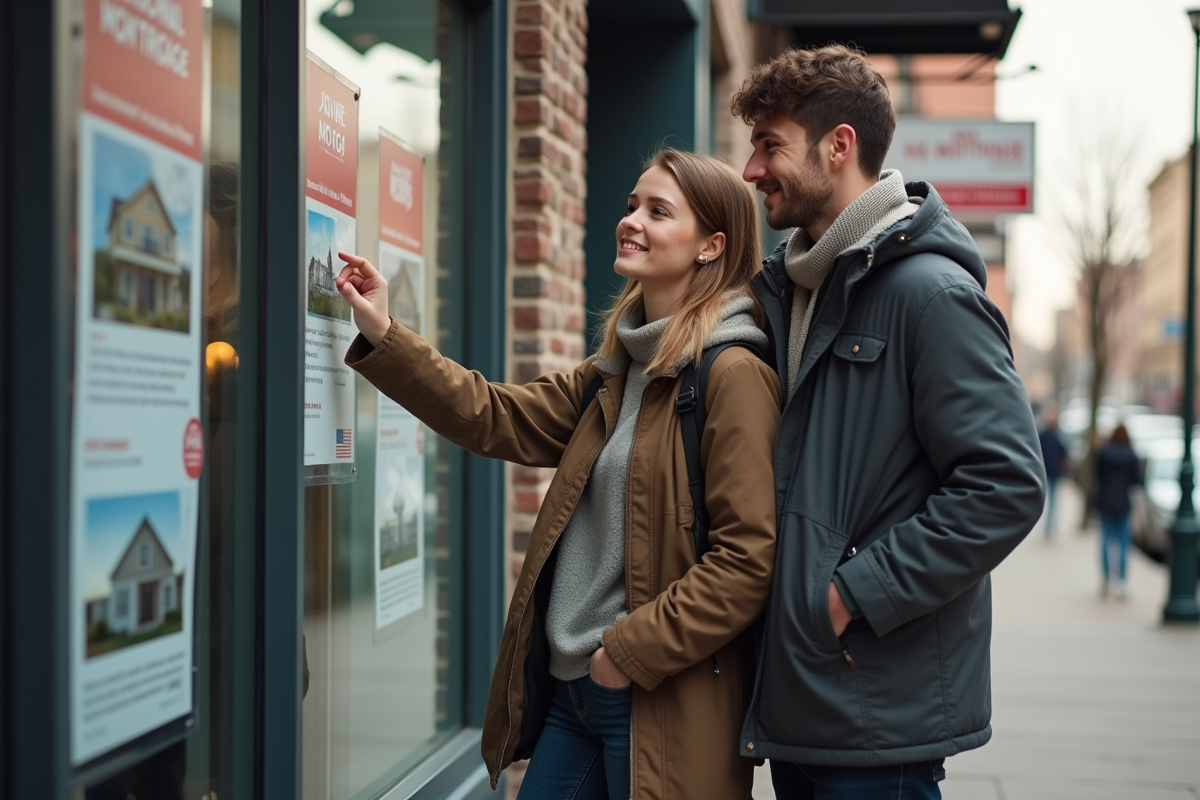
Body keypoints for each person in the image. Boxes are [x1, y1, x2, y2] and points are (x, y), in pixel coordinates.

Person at [336, 149, 781, 800]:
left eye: (658, 211)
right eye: (632, 205)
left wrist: (625, 655)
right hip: (573, 692)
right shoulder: (615, 372)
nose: (631, 220)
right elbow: (494, 415)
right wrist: (384, 333)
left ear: (712, 245)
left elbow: (748, 561)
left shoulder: (732, 374)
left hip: (655, 696)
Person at [729, 46, 1046, 799]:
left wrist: (851, 596)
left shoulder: (930, 296)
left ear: (838, 146)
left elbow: (1005, 486)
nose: (750, 170)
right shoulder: (795, 288)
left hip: (872, 710)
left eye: (769, 145)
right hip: (806, 696)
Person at [1093, 424, 1143, 600]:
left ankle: (1106, 580)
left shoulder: (1103, 453)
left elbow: (1097, 475)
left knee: (1106, 541)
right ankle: (1121, 582)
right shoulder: (1131, 455)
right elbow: (1137, 480)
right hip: (1122, 503)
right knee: (1123, 544)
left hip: (1105, 501)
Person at [1038, 402, 1070, 539]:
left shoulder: (1055, 435)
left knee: (1053, 501)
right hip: (1046, 472)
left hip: (1052, 472)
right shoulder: (1046, 435)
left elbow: (1064, 452)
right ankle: (1049, 526)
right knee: (1049, 501)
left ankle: (1050, 526)